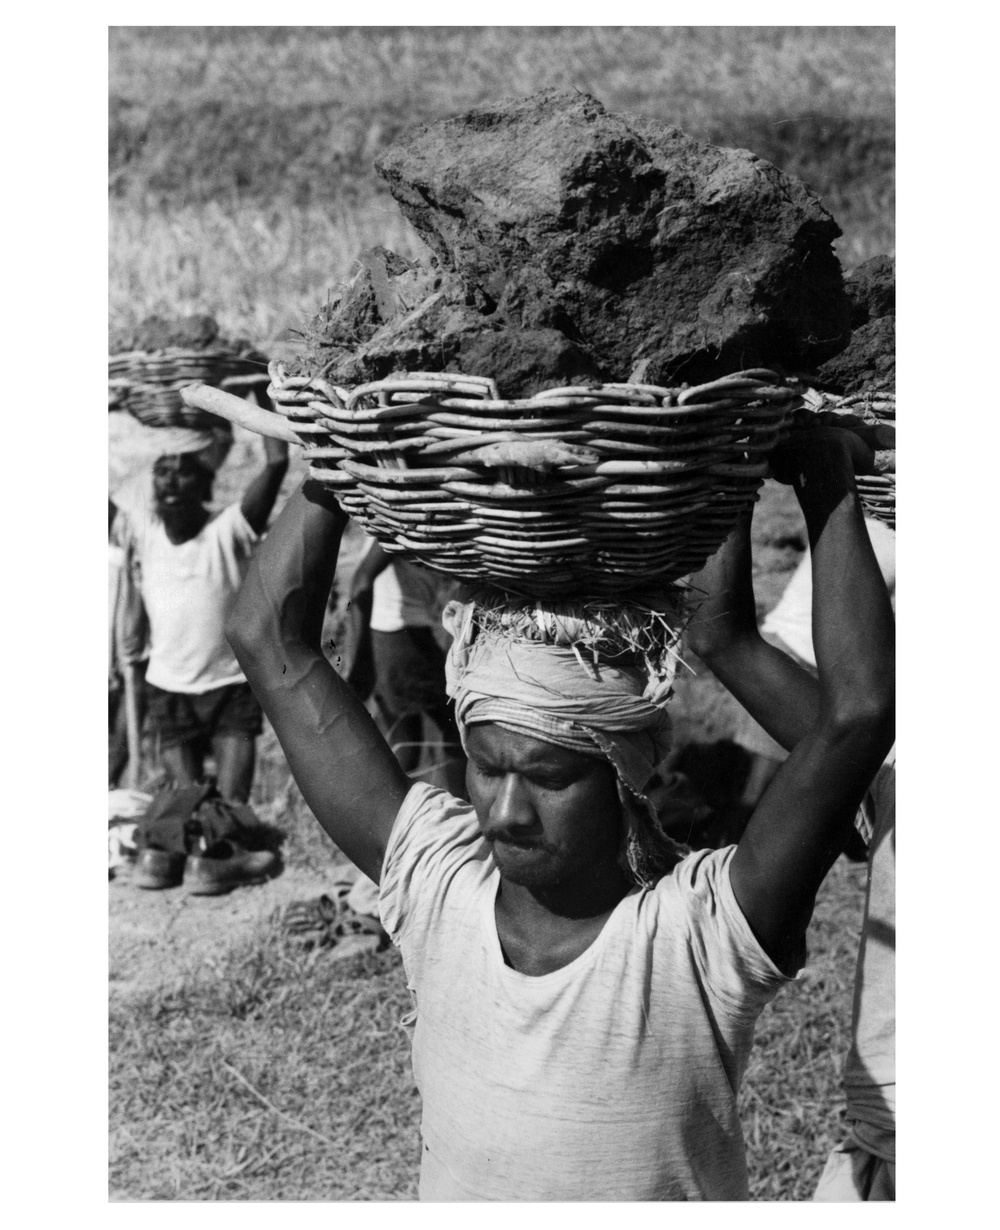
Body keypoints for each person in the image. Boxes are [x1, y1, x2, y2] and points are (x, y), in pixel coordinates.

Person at [225, 420, 893, 1201]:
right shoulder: (439, 887)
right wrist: (340, 458)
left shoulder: (700, 937)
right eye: (485, 767)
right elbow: (264, 636)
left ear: (624, 776)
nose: (505, 813)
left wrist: (826, 483)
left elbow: (858, 716)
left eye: (547, 777)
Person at [114, 425, 288, 803]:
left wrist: (260, 386)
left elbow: (277, 463)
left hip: (231, 687)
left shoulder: (229, 529)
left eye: (184, 472)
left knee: (233, 807)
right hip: (168, 691)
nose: (171, 483)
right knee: (188, 807)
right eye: (162, 473)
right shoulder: (144, 533)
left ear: (205, 483)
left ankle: (230, 859)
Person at [729, 515, 896, 814]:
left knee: (772, 768)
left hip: (782, 641)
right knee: (775, 774)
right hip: (803, 653)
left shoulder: (851, 522)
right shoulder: (894, 545)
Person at [347, 538, 467, 797]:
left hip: (389, 637)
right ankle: (462, 813)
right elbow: (361, 581)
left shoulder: (402, 523)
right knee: (457, 725)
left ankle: (377, 812)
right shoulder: (394, 527)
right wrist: (361, 660)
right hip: (400, 639)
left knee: (405, 740)